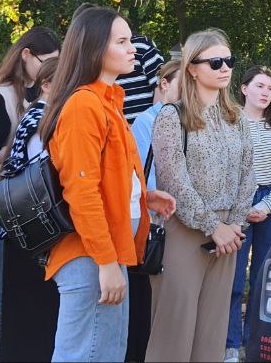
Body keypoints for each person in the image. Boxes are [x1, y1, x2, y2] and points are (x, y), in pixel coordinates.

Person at [37, 6, 176, 362]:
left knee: (105, 352)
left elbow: (107, 176)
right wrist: (106, 262)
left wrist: (144, 197)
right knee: (87, 354)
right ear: (95, 48)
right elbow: (81, 191)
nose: (134, 49)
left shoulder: (108, 100)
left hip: (107, 252)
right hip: (91, 255)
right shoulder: (84, 105)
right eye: (123, 41)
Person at [147, 29, 256, 363]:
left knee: (212, 335)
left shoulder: (236, 118)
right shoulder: (172, 115)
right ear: (192, 67)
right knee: (174, 335)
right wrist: (212, 226)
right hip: (186, 230)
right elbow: (174, 182)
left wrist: (234, 225)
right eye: (215, 62)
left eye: (229, 61)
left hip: (229, 236)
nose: (225, 68)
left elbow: (247, 175)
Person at [0, 57, 61, 362]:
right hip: (29, 225)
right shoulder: (40, 119)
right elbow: (44, 172)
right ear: (46, 85)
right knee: (24, 318)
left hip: (31, 224)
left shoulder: (40, 115)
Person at [225, 66, 271, 362]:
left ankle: (257, 343)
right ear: (244, 89)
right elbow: (224, 169)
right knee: (234, 278)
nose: (266, 93)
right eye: (260, 86)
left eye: (270, 89)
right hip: (236, 201)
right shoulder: (229, 122)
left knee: (266, 277)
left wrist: (266, 206)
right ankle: (229, 343)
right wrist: (243, 207)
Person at [122, 59, 180, 362]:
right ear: (164, 84)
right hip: (158, 216)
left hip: (178, 216)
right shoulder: (147, 120)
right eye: (182, 84)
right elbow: (142, 173)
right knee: (149, 294)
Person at [0, 27, 61, 177]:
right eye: (45, 62)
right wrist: (23, 145)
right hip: (16, 189)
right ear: (26, 54)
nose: (49, 69)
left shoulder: (43, 90)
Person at [117, 32, 167, 122]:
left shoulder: (141, 46)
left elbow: (161, 85)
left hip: (145, 130)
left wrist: (154, 125)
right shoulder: (90, 55)